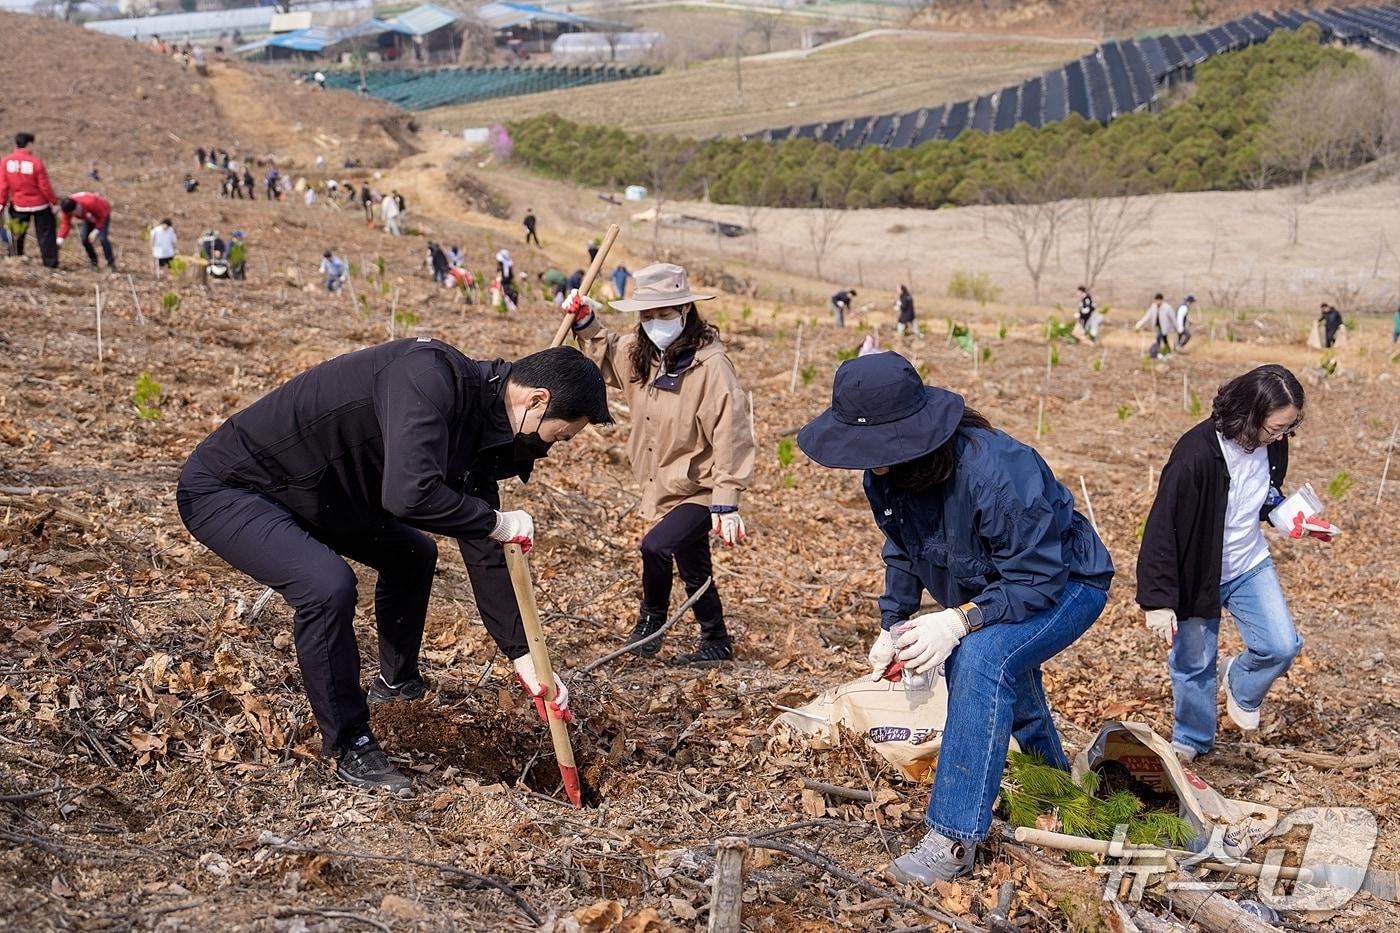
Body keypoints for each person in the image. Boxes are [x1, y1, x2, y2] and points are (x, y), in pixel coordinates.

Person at [176, 341, 612, 795]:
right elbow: (409, 494)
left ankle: (396, 683)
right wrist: (495, 521)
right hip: (231, 487)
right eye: (558, 437)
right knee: (327, 586)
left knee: (412, 554)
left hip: (317, 492)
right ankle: (349, 742)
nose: (549, 449)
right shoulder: (427, 378)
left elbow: (483, 541)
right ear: (537, 400)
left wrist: (523, 656)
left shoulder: (483, 421)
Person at [794, 352, 1113, 883]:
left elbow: (1035, 580)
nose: (870, 464)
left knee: (983, 658)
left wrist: (957, 622)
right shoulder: (886, 476)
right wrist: (892, 623)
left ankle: (953, 837)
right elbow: (902, 548)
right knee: (1004, 669)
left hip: (1066, 583)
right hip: (996, 588)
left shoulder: (996, 471)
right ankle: (1055, 791)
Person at [565, 263, 756, 663]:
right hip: (667, 483)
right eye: (647, 315)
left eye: (664, 314)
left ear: (685, 310)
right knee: (694, 566)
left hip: (703, 488)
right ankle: (716, 640)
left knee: (655, 547)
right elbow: (608, 352)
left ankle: (651, 622)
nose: (655, 323)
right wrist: (585, 321)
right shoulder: (643, 355)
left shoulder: (711, 366)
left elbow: (731, 430)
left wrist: (727, 497)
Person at [1138, 365, 1311, 763]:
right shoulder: (1194, 455)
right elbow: (1163, 528)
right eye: (1276, 428)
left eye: (1288, 428)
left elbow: (1265, 492)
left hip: (1248, 562)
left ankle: (1240, 681)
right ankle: (1192, 739)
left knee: (1281, 645)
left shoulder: (1273, 445)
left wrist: (1286, 514)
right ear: (1250, 414)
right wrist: (1158, 600)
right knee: (1195, 663)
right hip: (1198, 570)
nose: (1282, 437)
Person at [0, 132, 61, 269]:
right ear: (29, 144)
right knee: (45, 235)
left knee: (16, 232)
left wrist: (2, 203)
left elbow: (3, 186)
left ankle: (15, 257)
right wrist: (54, 202)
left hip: (19, 204)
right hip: (40, 204)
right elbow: (44, 186)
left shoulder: (6, 162)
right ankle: (50, 264)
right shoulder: (35, 162)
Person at [58, 193, 116, 271]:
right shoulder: (67, 207)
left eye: (71, 213)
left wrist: (96, 230)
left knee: (103, 238)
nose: (70, 215)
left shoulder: (90, 202)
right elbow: (66, 223)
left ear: (75, 209)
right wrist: (60, 238)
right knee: (84, 238)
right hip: (89, 217)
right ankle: (93, 262)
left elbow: (102, 215)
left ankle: (111, 264)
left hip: (103, 213)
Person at [1135, 293, 1177, 358]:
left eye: (1159, 300)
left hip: (1164, 326)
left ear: (1162, 300)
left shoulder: (1167, 307)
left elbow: (1173, 317)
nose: (1158, 302)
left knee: (1159, 338)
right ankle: (1166, 353)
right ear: (1155, 300)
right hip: (1157, 326)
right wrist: (1140, 323)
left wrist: (1177, 327)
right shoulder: (1153, 306)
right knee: (1163, 339)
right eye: (1157, 300)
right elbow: (1148, 315)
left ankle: (1157, 353)